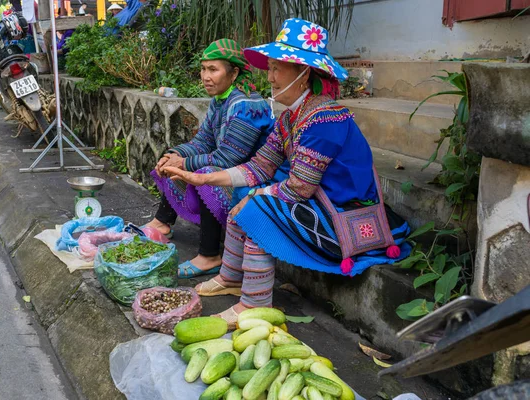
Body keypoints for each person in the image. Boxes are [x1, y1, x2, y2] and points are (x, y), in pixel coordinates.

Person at [164, 19, 411, 327]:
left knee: (256, 212)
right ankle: (230, 277)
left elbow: (298, 190)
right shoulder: (291, 118)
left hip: (342, 219)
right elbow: (259, 167)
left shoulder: (324, 121)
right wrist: (202, 177)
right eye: (269, 68)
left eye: (276, 69)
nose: (269, 77)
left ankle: (253, 305)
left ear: (304, 73)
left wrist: (252, 196)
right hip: (320, 208)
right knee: (244, 204)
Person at [147, 38, 274, 279]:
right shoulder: (221, 100)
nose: (205, 76)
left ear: (234, 72)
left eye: (213, 69)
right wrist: (175, 156)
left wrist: (183, 164)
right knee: (173, 162)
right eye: (203, 69)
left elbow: (228, 158)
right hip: (233, 169)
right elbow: (203, 141)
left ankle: (210, 256)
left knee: (205, 175)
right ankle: (162, 223)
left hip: (254, 178)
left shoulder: (247, 105)